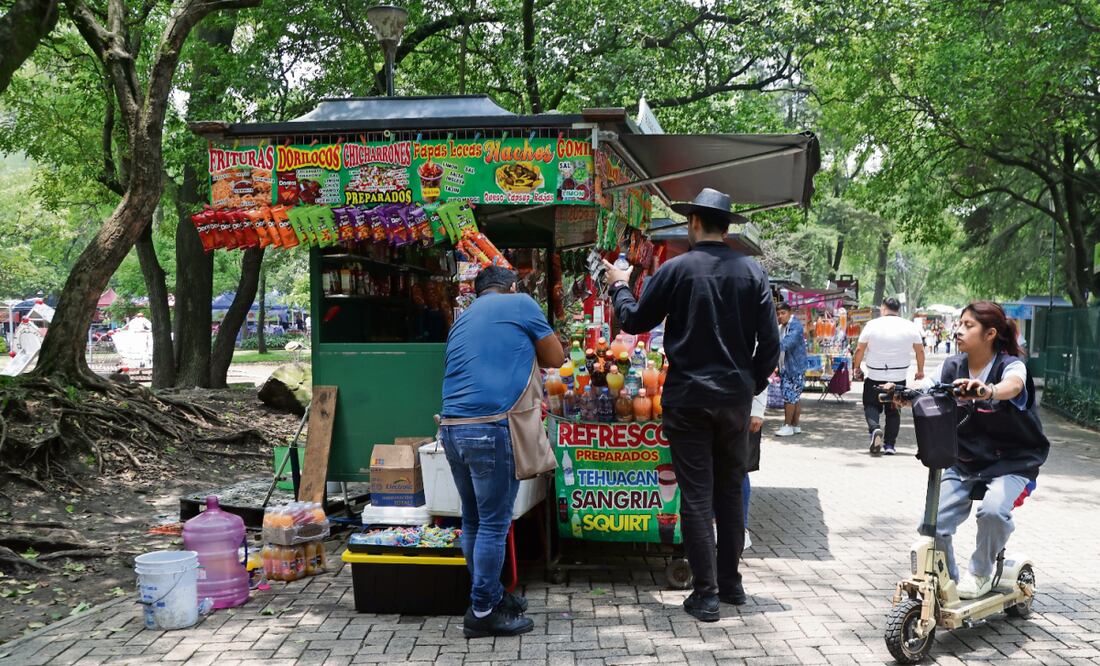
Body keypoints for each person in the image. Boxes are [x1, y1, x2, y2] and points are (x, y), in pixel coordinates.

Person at [602, 187, 780, 622]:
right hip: (733, 400)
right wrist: (748, 384)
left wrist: (620, 286)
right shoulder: (752, 272)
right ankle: (730, 584)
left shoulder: (676, 269)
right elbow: (771, 345)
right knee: (729, 490)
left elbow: (634, 320)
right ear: (726, 227)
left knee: (697, 495)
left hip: (688, 398)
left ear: (694, 222)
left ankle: (706, 594)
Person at [439, 265, 564, 638]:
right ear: (510, 287)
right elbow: (555, 357)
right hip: (491, 428)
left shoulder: (462, 319)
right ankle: (482, 611)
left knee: (473, 520)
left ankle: (491, 595)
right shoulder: (521, 303)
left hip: (451, 429)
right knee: (494, 524)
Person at [915, 301, 1048, 599]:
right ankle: (948, 582)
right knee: (932, 524)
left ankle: (981, 573)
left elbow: (1014, 385)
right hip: (965, 460)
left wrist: (989, 391)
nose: (958, 330)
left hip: (1013, 461)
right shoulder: (952, 366)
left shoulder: (1010, 365)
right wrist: (899, 392)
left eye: (968, 325)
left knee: (993, 511)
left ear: (990, 334)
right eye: (959, 324)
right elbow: (925, 386)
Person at [851, 297, 925, 455]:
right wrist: (920, 371)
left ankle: (875, 429)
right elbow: (920, 351)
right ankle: (890, 445)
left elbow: (859, 349)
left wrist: (856, 367)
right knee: (894, 409)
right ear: (898, 309)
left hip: (874, 375)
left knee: (871, 405)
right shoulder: (909, 326)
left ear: (883, 308)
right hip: (898, 377)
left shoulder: (872, 325)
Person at [775, 302, 807, 436]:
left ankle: (787, 426)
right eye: (778, 314)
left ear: (790, 312)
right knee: (795, 398)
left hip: (794, 368)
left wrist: (767, 347)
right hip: (788, 367)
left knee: (789, 398)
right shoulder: (782, 327)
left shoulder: (795, 326)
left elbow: (786, 343)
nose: (780, 316)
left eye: (783, 313)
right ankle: (795, 425)